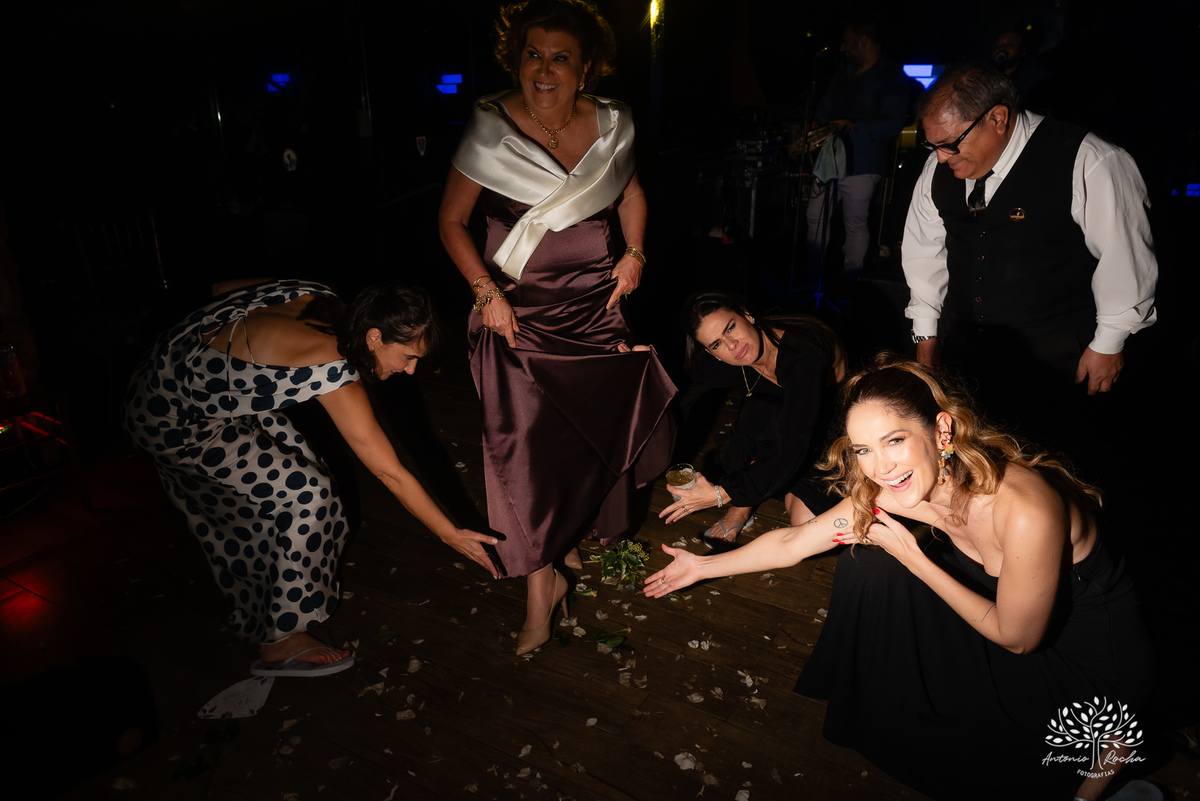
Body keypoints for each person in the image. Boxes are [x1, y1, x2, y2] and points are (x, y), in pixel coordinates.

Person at [648, 354, 1152, 800]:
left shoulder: (1024, 509)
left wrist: (914, 557)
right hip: (1005, 612)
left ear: (942, 431)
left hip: (1090, 655)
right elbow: (793, 542)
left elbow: (1018, 639)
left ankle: (1106, 767)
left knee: (1075, 767)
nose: (880, 468)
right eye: (863, 449)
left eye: (894, 441)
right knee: (869, 562)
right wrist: (703, 566)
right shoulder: (893, 487)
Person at [437, 0, 675, 656]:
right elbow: (452, 221)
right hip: (511, 312)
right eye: (533, 55)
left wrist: (635, 252)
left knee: (593, 434)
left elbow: (629, 194)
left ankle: (564, 549)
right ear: (517, 62)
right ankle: (540, 584)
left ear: (586, 68)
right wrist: (485, 292)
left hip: (594, 307)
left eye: (560, 57)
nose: (544, 69)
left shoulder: (613, 123)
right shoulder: (489, 126)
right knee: (519, 454)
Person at [123, 279, 500, 677]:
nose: (410, 370)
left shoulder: (319, 295)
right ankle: (279, 639)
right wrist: (449, 534)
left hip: (167, 373)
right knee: (308, 495)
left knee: (302, 469)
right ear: (374, 336)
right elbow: (389, 472)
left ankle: (268, 585)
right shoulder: (334, 369)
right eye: (407, 356)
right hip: (173, 421)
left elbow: (222, 287)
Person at [902, 61, 1157, 438]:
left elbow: (1125, 257)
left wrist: (1109, 343)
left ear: (998, 118)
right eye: (932, 144)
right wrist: (926, 336)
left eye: (950, 144)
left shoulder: (1089, 159)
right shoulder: (938, 166)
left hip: (1056, 359)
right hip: (965, 353)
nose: (941, 156)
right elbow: (924, 253)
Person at [672, 292, 845, 548]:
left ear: (746, 314)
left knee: (805, 524)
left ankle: (760, 488)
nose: (732, 345)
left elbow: (794, 445)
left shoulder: (800, 354)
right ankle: (744, 505)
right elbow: (678, 377)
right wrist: (642, 361)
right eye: (716, 344)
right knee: (756, 410)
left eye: (731, 328)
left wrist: (721, 493)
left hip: (832, 424)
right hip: (783, 423)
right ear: (712, 353)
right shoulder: (720, 360)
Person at [804, 18, 910, 285]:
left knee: (855, 221)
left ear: (864, 41)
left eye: (848, 43)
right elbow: (825, 106)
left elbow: (895, 124)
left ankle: (850, 279)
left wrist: (855, 126)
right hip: (830, 157)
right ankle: (812, 277)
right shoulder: (843, 74)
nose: (843, 48)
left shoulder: (892, 76)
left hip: (864, 160)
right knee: (814, 216)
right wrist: (817, 122)